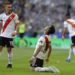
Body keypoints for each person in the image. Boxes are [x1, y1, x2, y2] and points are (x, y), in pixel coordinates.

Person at [0, 2, 19, 68]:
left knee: (9, 50)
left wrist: (15, 31)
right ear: (5, 8)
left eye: (10, 7)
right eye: (8, 7)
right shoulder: (1, 15)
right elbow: (1, 24)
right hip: (2, 35)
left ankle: (10, 63)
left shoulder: (14, 16)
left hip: (10, 36)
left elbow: (17, 24)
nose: (10, 8)